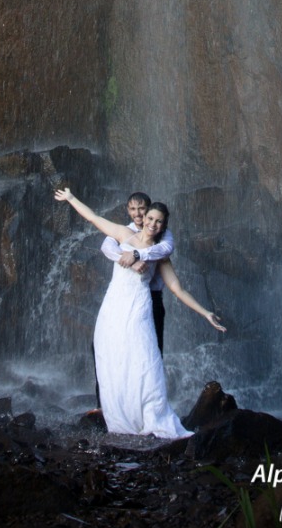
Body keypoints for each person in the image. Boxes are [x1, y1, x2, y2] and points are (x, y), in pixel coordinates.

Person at [54, 186, 225, 439]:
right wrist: (70, 198)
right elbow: (93, 218)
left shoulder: (160, 254)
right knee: (113, 359)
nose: (153, 223)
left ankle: (150, 415)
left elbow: (177, 289)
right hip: (113, 308)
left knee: (145, 361)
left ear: (163, 225)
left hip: (138, 310)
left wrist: (205, 312)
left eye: (159, 221)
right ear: (142, 219)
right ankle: (120, 416)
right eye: (150, 218)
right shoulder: (123, 234)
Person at [100, 190, 173, 354]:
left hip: (151, 296)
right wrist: (128, 260)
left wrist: (137, 254)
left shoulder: (162, 232)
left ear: (148, 210)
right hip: (122, 296)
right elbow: (106, 247)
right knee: (106, 345)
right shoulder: (124, 230)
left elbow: (166, 249)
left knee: (152, 348)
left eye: (141, 208)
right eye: (133, 209)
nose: (137, 213)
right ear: (127, 210)